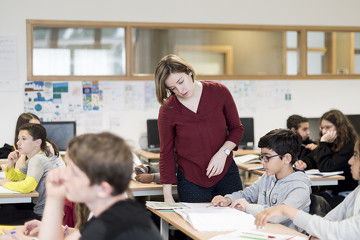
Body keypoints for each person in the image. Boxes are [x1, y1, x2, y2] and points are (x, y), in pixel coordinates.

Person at [37, 132, 162, 240]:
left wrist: (54, 200)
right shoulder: (120, 210)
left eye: (73, 172)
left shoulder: (107, 226)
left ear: (103, 189)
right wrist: (54, 198)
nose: (63, 174)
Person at [155, 54, 244, 203]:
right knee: (195, 225)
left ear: (189, 71)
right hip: (191, 180)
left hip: (226, 173)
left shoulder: (219, 91)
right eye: (173, 88)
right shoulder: (168, 109)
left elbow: (237, 129)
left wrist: (223, 153)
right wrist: (167, 195)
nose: (180, 90)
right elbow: (166, 152)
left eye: (181, 82)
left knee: (236, 222)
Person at [255, 139, 360, 240]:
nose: (350, 161)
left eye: (355, 156)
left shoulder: (299, 185)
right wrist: (316, 235)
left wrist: (286, 210)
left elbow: (339, 231)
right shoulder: (357, 192)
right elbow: (330, 220)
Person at [211, 129, 312, 231]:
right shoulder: (268, 177)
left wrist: (248, 207)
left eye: (267, 157)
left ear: (286, 158)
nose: (263, 162)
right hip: (263, 231)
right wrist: (228, 199)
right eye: (262, 157)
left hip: (287, 236)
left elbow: (279, 215)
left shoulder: (300, 187)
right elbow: (247, 194)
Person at [295, 109, 358, 208]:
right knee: (304, 200)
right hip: (331, 192)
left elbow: (326, 167)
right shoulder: (330, 143)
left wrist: (323, 142)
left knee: (312, 205)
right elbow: (314, 158)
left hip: (347, 194)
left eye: (328, 127)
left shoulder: (350, 146)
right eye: (322, 128)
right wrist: (305, 163)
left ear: (340, 127)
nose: (324, 132)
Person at [0, 123, 54, 224]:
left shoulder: (37, 160)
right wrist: (11, 164)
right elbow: (15, 178)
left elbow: (27, 187)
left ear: (37, 142)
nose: (18, 142)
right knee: (7, 209)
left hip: (43, 216)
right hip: (42, 211)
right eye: (18, 138)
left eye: (23, 139)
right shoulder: (32, 159)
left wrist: (5, 183)